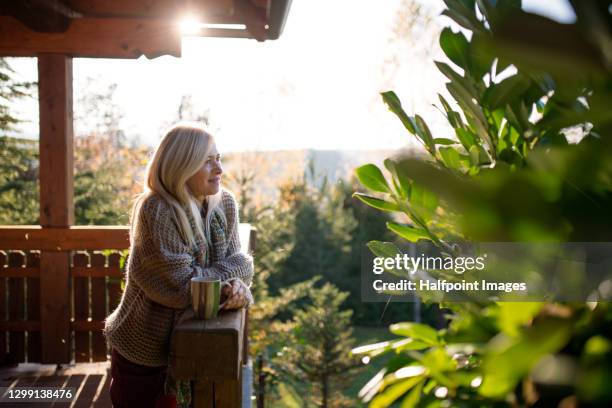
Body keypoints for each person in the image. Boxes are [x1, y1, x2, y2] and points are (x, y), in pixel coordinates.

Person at [104, 123, 254, 408]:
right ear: (181, 166)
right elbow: (181, 287)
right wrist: (231, 281)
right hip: (146, 355)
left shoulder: (225, 204)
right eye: (207, 162)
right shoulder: (158, 210)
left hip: (195, 344)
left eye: (218, 158)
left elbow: (239, 266)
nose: (219, 169)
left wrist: (233, 277)